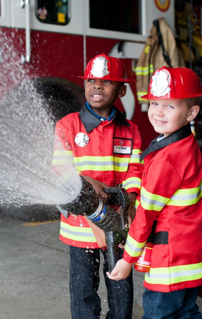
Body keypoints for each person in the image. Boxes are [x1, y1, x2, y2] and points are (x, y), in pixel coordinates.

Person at [108, 66, 202, 319]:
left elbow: (146, 214)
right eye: (155, 102)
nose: (158, 111)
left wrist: (127, 259)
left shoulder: (167, 159)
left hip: (171, 259)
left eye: (170, 106)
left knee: (160, 314)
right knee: (186, 311)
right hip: (193, 252)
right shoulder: (186, 143)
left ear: (191, 112)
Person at [52, 53, 142, 319]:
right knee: (83, 292)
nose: (97, 86)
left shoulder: (130, 130)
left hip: (117, 223)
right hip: (80, 229)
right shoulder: (67, 126)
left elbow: (135, 170)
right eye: (91, 80)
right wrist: (85, 181)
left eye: (106, 81)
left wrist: (132, 199)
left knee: (120, 286)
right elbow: (59, 170)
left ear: (122, 89)